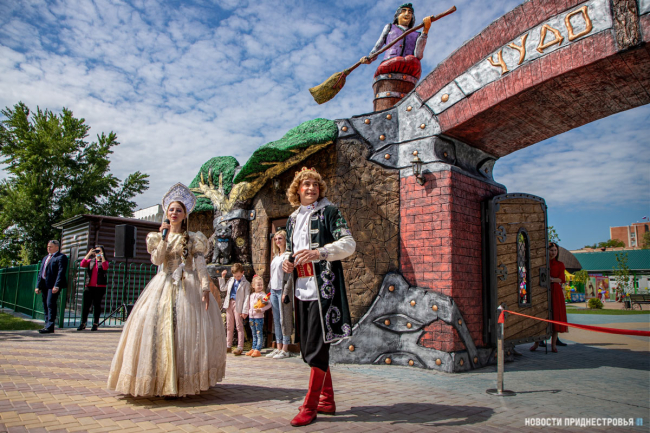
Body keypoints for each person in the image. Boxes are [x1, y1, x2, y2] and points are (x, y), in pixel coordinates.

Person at [107, 183, 226, 397]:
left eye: (178, 210)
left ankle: (180, 380)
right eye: (171, 209)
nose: (174, 213)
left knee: (184, 332)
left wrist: (205, 287)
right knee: (153, 325)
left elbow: (200, 264)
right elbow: (156, 260)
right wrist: (163, 238)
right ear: (166, 213)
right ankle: (157, 377)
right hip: (163, 284)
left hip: (187, 286)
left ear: (184, 215)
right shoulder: (157, 237)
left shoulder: (193, 238)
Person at [282, 167, 356, 427]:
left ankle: (311, 406)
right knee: (308, 348)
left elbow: (349, 244)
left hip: (323, 290)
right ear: (298, 190)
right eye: (306, 184)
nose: (311, 188)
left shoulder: (329, 212)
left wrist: (320, 253)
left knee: (316, 348)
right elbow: (289, 250)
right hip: (301, 288)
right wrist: (287, 261)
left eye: (315, 184)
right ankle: (327, 399)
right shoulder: (292, 219)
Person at [360, 3, 432, 79]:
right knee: (395, 63)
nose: (407, 14)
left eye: (410, 12)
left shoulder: (416, 34)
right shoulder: (390, 27)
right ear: (397, 15)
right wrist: (369, 58)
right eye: (403, 11)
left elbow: (418, 55)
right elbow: (378, 45)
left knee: (414, 63)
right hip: (390, 63)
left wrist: (425, 31)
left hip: (408, 68)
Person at [530, 242, 567, 353]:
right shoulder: (542, 263)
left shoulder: (560, 264)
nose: (553, 252)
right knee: (542, 315)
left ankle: (554, 345)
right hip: (543, 290)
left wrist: (551, 279)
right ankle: (537, 342)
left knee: (556, 316)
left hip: (555, 291)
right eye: (551, 250)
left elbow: (562, 279)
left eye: (555, 250)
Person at [266, 230, 294, 360]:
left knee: (285, 319)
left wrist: (286, 292)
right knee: (276, 320)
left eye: (280, 238)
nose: (278, 241)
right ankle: (278, 347)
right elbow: (273, 275)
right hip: (274, 290)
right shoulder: (275, 256)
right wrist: (269, 290)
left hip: (282, 291)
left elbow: (290, 276)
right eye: (276, 239)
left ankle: (285, 349)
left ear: (285, 239)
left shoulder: (288, 255)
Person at [35, 240, 68, 334]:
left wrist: (57, 285)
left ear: (57, 247)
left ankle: (50, 326)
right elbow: (41, 272)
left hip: (53, 285)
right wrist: (38, 286)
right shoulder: (45, 258)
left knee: (50, 304)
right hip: (44, 284)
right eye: (48, 246)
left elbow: (61, 272)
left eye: (51, 246)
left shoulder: (61, 257)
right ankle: (47, 324)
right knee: (45, 304)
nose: (48, 248)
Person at [219, 263, 251, 356]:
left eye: (238, 276)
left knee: (239, 326)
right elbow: (223, 288)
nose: (237, 278)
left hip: (238, 305)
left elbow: (246, 298)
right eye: (235, 276)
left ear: (242, 273)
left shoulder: (246, 283)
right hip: (230, 303)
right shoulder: (231, 280)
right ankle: (228, 345)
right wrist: (222, 277)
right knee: (229, 325)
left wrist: (245, 310)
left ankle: (240, 346)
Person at [78, 245, 110, 331]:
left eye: (99, 251)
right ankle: (83, 323)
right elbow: (82, 264)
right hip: (89, 286)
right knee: (86, 305)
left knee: (97, 305)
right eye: (96, 251)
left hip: (100, 287)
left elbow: (105, 267)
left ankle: (95, 323)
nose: (97, 253)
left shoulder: (104, 261)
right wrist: (89, 254)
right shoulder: (91, 261)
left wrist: (102, 256)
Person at [246, 275, 272, 357]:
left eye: (261, 284)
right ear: (253, 285)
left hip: (259, 317)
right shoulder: (252, 295)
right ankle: (253, 347)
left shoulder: (263, 295)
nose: (260, 286)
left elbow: (269, 304)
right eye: (258, 285)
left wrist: (261, 310)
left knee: (258, 333)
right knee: (253, 333)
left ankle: (258, 349)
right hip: (251, 317)